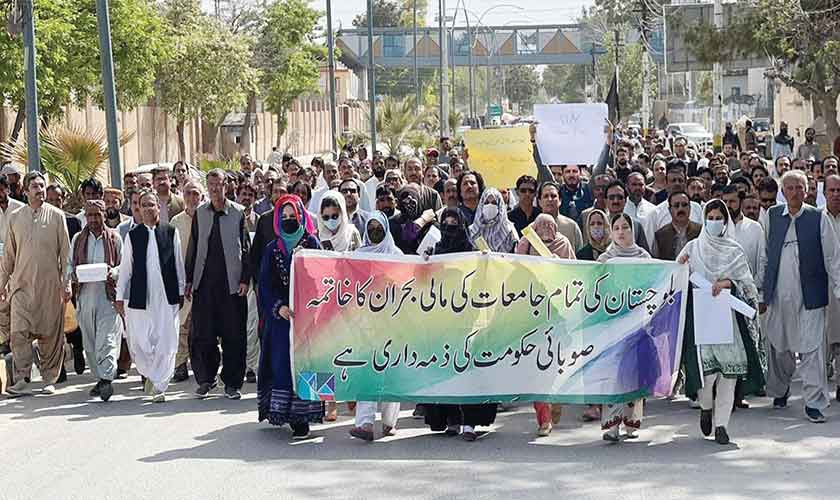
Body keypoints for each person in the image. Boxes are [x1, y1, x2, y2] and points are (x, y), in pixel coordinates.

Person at [678, 199, 764, 445]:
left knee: (729, 375)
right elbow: (676, 277)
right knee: (707, 376)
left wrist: (728, 283)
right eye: (711, 218)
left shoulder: (734, 251)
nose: (714, 222)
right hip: (701, 321)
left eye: (719, 218)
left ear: (726, 222)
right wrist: (681, 267)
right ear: (704, 220)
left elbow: (747, 285)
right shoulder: (693, 247)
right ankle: (706, 407)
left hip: (729, 322)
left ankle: (722, 425)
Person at [760, 170, 840, 423]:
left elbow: (833, 257)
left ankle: (814, 403)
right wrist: (761, 290)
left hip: (810, 296)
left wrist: (838, 288)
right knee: (778, 346)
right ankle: (780, 390)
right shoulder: (772, 216)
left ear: (807, 191)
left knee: (812, 349)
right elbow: (764, 255)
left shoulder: (818, 217)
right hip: (778, 295)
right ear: (783, 192)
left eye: (800, 188)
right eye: (790, 188)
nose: (795, 192)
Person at [257, 194, 324, 439]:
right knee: (282, 363)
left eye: (292, 215)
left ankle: (304, 418)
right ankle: (282, 413)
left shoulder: (312, 243)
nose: (288, 220)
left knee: (308, 363)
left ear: (301, 216)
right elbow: (264, 285)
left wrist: (310, 306)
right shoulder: (272, 249)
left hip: (308, 318)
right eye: (283, 216)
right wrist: (279, 307)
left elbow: (322, 277)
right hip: (282, 320)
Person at [424, 208, 492, 440]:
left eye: (455, 223)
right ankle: (451, 419)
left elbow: (483, 281)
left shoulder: (472, 252)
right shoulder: (436, 251)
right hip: (441, 320)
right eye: (446, 223)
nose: (450, 227)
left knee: (469, 371)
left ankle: (470, 423)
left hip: (468, 320)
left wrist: (485, 261)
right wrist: (426, 261)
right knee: (445, 370)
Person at [2, 172, 72, 396]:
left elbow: (66, 254)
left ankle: (49, 378)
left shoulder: (57, 216)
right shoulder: (15, 218)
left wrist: (67, 283)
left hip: (49, 287)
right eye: (35, 186)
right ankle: (22, 377)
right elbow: (9, 256)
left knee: (50, 334)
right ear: (25, 191)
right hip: (21, 286)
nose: (40, 190)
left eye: (42, 186)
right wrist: (1, 284)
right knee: (18, 332)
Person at [185, 170, 251, 400]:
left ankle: (232, 383)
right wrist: (189, 279)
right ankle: (206, 379)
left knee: (234, 336)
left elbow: (246, 248)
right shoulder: (200, 213)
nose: (214, 188)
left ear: (226, 186)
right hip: (205, 285)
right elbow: (193, 246)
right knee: (203, 335)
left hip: (231, 286)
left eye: (218, 184)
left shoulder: (238, 213)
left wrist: (245, 279)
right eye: (211, 184)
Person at [116, 190, 185, 402]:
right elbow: (125, 269)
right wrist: (119, 296)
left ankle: (160, 385)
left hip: (166, 295)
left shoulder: (170, 231)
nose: (147, 209)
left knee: (166, 341)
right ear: (139, 209)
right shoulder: (133, 236)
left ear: (158, 207)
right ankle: (151, 374)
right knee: (140, 342)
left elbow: (178, 264)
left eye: (151, 205)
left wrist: (181, 291)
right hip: (141, 296)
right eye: (143, 205)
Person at [514, 213, 575, 436]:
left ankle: (556, 401)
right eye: (541, 226)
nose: (546, 229)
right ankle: (544, 419)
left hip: (559, 315)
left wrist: (555, 264)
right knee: (536, 370)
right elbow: (517, 268)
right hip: (534, 314)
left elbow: (573, 272)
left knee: (557, 365)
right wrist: (527, 243)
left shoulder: (563, 243)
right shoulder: (528, 243)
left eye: (550, 225)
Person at [348, 211, 404, 442]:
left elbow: (406, 284)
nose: (374, 231)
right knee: (367, 370)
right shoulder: (359, 256)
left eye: (378, 227)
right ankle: (365, 424)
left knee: (391, 371)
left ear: (386, 229)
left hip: (392, 321)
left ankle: (390, 422)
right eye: (370, 228)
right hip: (366, 323)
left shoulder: (396, 255)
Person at [597, 213, 650, 442]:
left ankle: (631, 422)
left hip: (638, 324)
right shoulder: (605, 259)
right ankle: (611, 426)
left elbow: (654, 285)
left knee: (633, 373)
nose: (621, 231)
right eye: (616, 227)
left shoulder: (644, 257)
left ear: (632, 230)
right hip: (612, 325)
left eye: (625, 227)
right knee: (613, 375)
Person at [69, 200, 123, 402]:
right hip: (84, 297)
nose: (93, 219)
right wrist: (72, 275)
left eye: (97, 215)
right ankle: (100, 378)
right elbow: (69, 264)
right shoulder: (78, 239)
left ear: (104, 215)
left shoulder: (115, 238)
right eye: (89, 215)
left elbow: (124, 265)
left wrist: (114, 272)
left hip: (107, 298)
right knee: (90, 343)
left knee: (106, 339)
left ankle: (107, 378)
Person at [169, 182, 203, 383]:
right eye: (188, 193)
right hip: (182, 280)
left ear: (201, 196)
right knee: (182, 325)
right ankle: (180, 364)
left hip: (204, 280)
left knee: (202, 325)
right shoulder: (176, 222)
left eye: (195, 193)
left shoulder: (207, 217)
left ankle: (202, 365)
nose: (192, 198)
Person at [0, 174, 24, 355]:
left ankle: (17, 341)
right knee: (2, 304)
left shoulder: (20, 210)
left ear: (7, 189)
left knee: (17, 304)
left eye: (1, 190)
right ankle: (5, 340)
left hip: (18, 265)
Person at [823, 175, 840, 401]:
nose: (836, 194)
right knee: (822, 340)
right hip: (822, 286)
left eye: (839, 190)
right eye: (832, 190)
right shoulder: (817, 218)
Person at [652, 191, 702, 261]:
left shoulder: (700, 231)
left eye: (684, 205)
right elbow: (656, 262)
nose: (680, 209)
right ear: (670, 210)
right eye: (676, 205)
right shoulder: (660, 235)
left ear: (690, 208)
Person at [467, 188, 518, 254]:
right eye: (486, 203)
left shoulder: (509, 230)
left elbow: (516, 255)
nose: (490, 205)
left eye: (494, 203)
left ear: (500, 206)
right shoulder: (473, 231)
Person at [538, 182, 583, 250]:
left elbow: (580, 254)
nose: (550, 199)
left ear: (560, 201)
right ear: (540, 202)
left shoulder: (572, 226)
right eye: (546, 196)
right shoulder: (533, 228)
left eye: (553, 196)